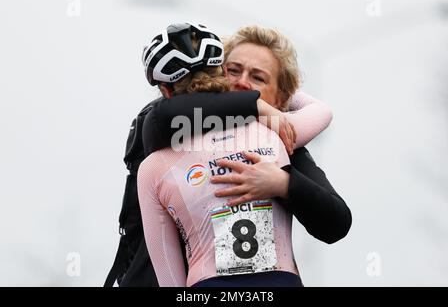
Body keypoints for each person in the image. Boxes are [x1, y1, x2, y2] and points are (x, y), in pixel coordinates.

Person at [136, 23, 351, 287]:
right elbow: (321, 112)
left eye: (258, 77)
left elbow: (337, 221)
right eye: (232, 71)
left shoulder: (282, 138)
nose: (241, 83)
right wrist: (256, 103)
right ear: (218, 72)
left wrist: (283, 183)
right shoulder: (274, 137)